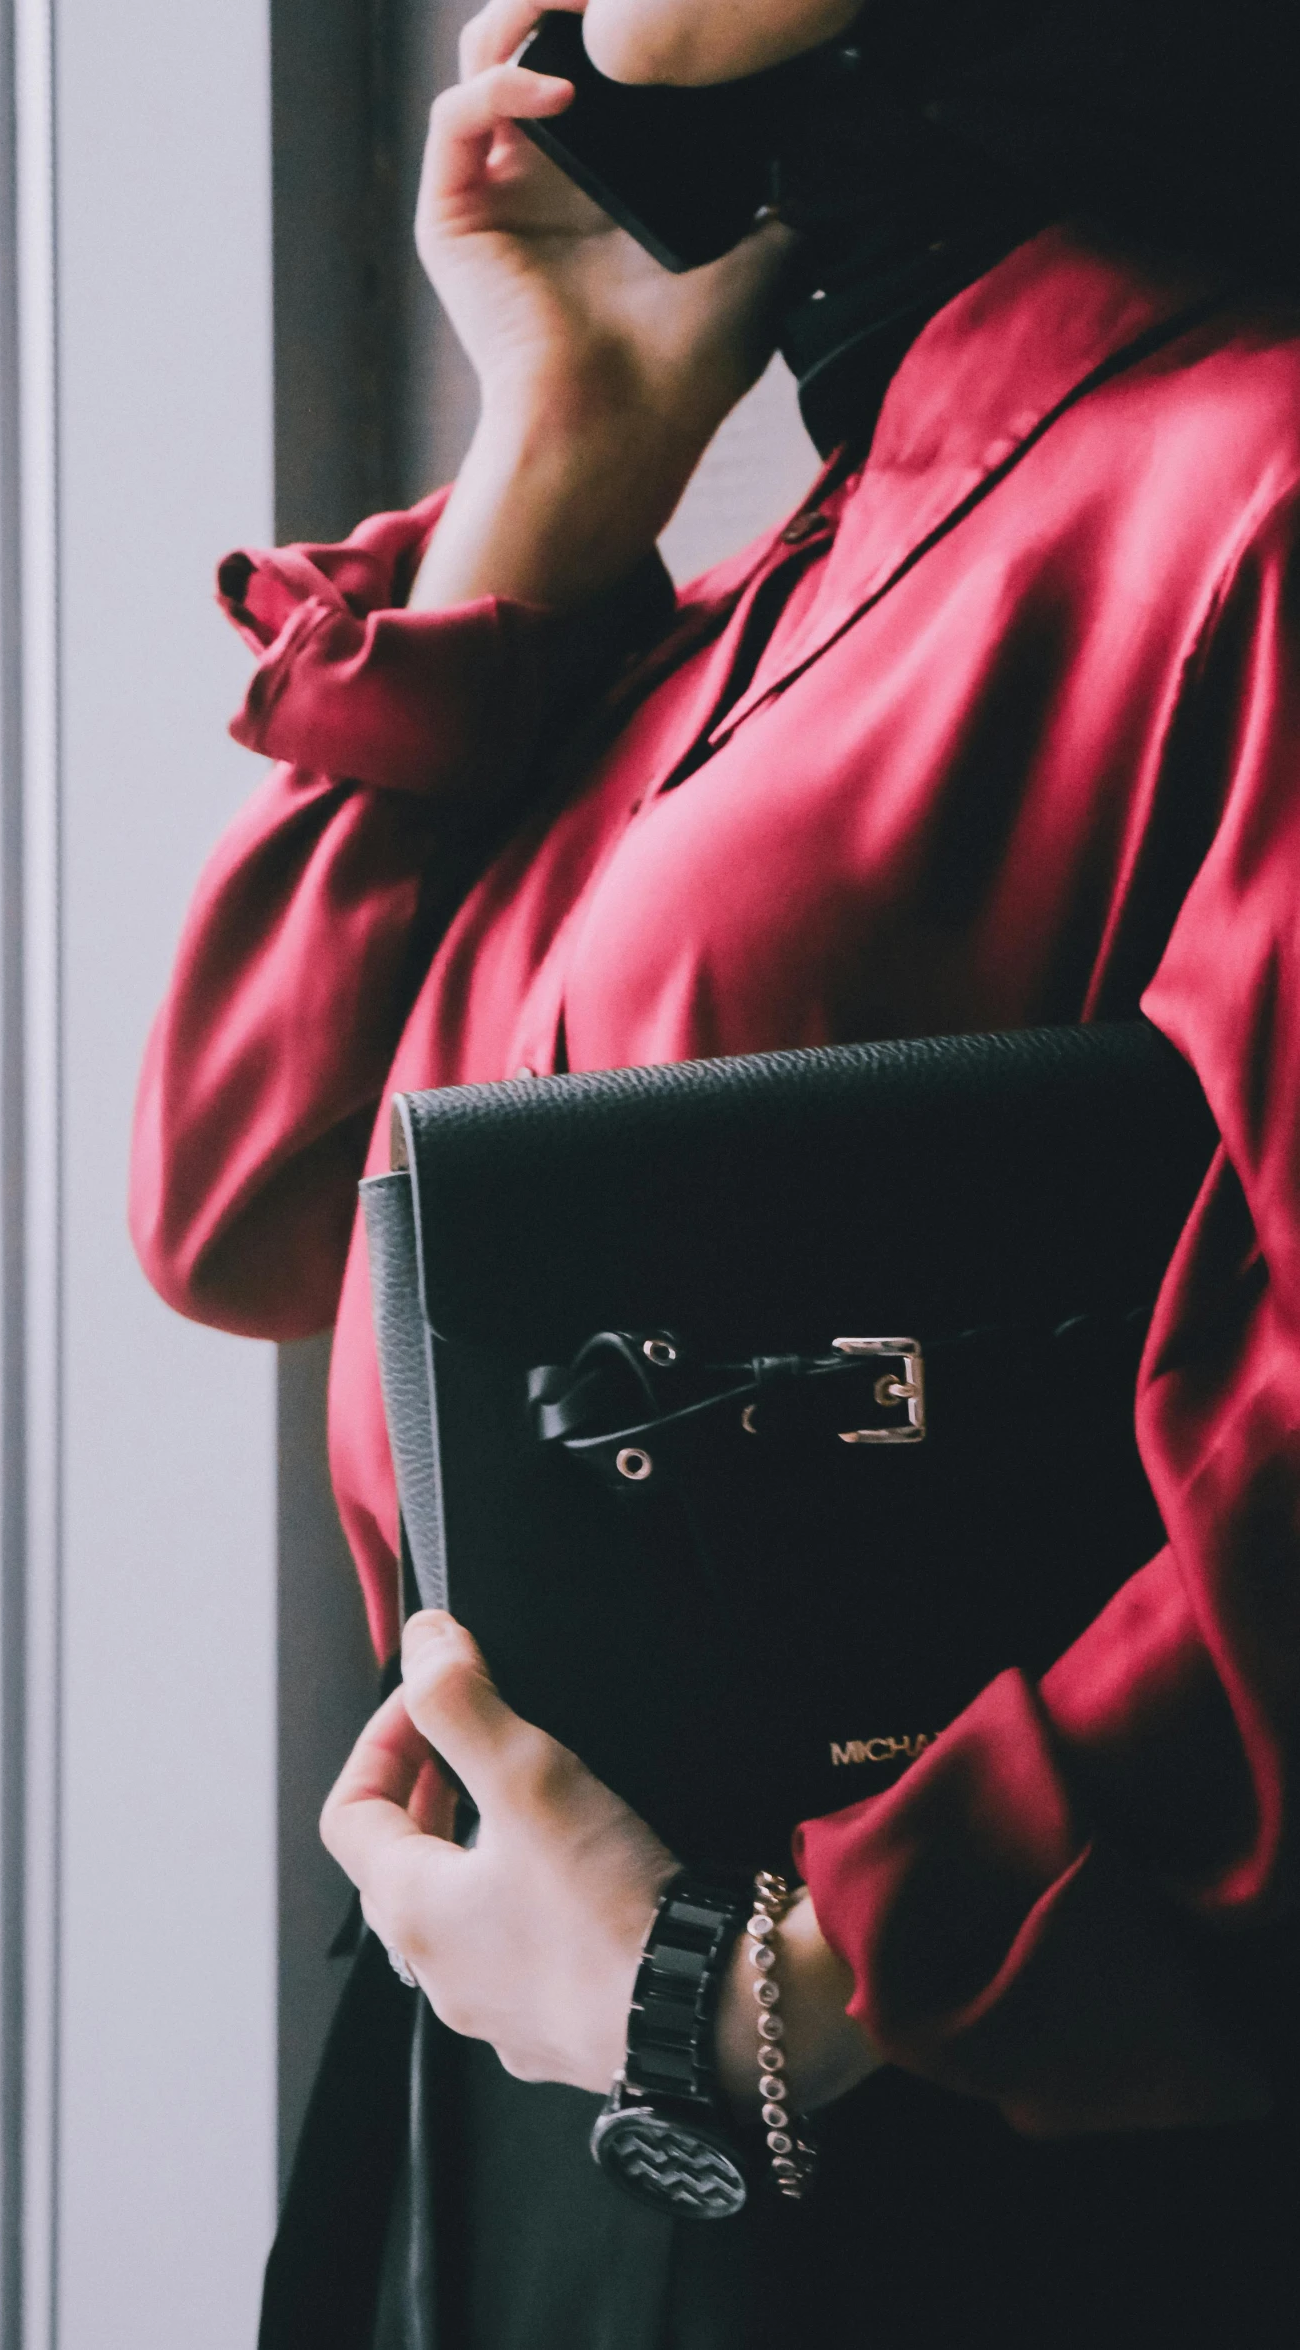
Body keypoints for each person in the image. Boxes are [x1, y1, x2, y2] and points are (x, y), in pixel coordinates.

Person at [130, 2, 1300, 2342]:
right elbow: (249, 1197)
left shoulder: (1243, 473)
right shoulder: (801, 554)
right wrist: (557, 459)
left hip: (951, 2155)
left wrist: (791, 1979)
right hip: (498, 2098)